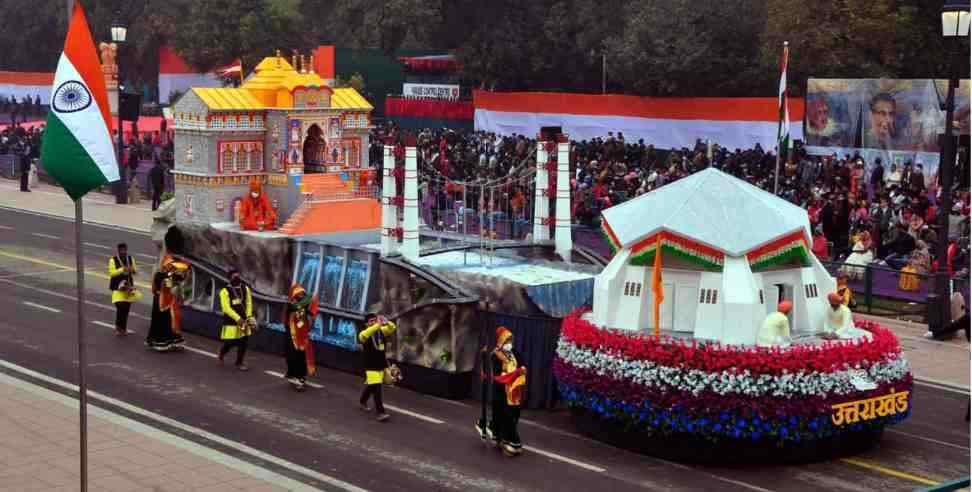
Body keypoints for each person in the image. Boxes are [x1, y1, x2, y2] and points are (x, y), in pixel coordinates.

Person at [489, 327, 527, 456]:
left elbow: (522, 364)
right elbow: (499, 375)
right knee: (506, 416)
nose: (509, 343)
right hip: (501, 392)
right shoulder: (496, 355)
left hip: (514, 392)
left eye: (511, 340)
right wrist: (512, 373)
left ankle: (504, 438)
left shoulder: (514, 353)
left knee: (515, 414)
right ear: (501, 341)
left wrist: (522, 369)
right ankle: (513, 442)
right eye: (507, 340)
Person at [358, 312, 396, 421]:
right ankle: (381, 413)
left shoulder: (381, 332)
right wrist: (378, 324)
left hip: (381, 364)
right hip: (370, 366)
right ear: (366, 324)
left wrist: (386, 321)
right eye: (371, 321)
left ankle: (362, 400)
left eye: (375, 320)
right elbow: (367, 333)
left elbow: (392, 327)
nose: (374, 322)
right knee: (377, 389)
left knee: (372, 386)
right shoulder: (363, 334)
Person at [147, 256, 189, 351]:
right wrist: (174, 284)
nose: (171, 268)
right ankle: (160, 341)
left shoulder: (166, 275)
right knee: (162, 321)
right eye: (169, 266)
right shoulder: (163, 277)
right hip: (162, 302)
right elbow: (166, 288)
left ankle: (171, 340)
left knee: (169, 321)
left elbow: (178, 280)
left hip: (164, 301)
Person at [218, 269, 255, 370]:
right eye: (234, 276)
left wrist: (248, 317)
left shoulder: (245, 289)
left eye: (238, 276)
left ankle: (239, 362)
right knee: (231, 342)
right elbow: (226, 308)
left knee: (243, 342)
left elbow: (248, 303)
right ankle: (222, 353)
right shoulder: (224, 291)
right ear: (230, 278)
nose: (237, 278)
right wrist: (237, 318)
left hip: (244, 320)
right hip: (231, 321)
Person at [283, 284, 318, 390]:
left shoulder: (306, 304)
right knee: (290, 355)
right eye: (298, 294)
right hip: (291, 334)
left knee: (301, 357)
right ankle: (291, 372)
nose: (300, 296)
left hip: (302, 336)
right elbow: (287, 317)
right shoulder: (291, 305)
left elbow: (312, 312)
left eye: (302, 294)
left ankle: (301, 379)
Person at [108, 243, 141, 335]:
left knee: (126, 309)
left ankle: (123, 328)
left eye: (125, 250)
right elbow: (112, 273)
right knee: (120, 307)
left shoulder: (130, 258)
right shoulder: (113, 260)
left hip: (128, 287)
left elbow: (135, 271)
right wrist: (122, 269)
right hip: (117, 288)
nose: (123, 252)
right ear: (118, 251)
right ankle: (118, 327)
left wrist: (132, 270)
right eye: (121, 250)